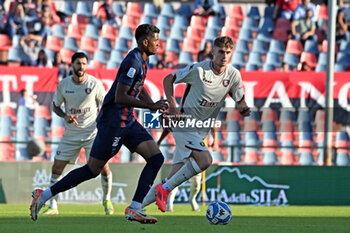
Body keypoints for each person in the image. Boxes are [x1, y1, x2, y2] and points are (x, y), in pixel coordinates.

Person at [30, 24, 168, 224]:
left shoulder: (143, 60)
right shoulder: (133, 61)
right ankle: (43, 196)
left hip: (128, 121)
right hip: (113, 124)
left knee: (156, 158)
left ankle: (135, 208)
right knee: (92, 170)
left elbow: (138, 86)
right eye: (156, 40)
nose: (159, 44)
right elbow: (120, 96)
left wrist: (151, 104)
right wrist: (150, 106)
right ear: (145, 42)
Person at [141, 36, 250, 212]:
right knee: (205, 160)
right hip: (183, 123)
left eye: (228, 52)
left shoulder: (233, 75)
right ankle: (165, 190)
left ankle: (136, 207)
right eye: (221, 51)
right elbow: (168, 79)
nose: (224, 55)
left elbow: (240, 98)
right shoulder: (199, 70)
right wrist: (173, 107)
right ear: (213, 51)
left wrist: (243, 107)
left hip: (201, 131)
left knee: (173, 176)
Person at [38, 52, 114, 216]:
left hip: (92, 134)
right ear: (72, 65)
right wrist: (65, 115)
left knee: (104, 167)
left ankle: (107, 199)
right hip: (71, 135)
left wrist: (102, 121)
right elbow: (55, 106)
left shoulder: (95, 84)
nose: (81, 67)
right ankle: (53, 206)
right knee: (56, 168)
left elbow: (105, 105)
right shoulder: (64, 85)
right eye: (78, 63)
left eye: (84, 63)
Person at [158, 128, 218, 212]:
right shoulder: (184, 117)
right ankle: (170, 203)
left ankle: (192, 199)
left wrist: (215, 141)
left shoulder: (203, 117)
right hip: (183, 149)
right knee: (175, 177)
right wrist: (159, 141)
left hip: (198, 152)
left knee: (196, 183)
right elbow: (169, 127)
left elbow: (213, 126)